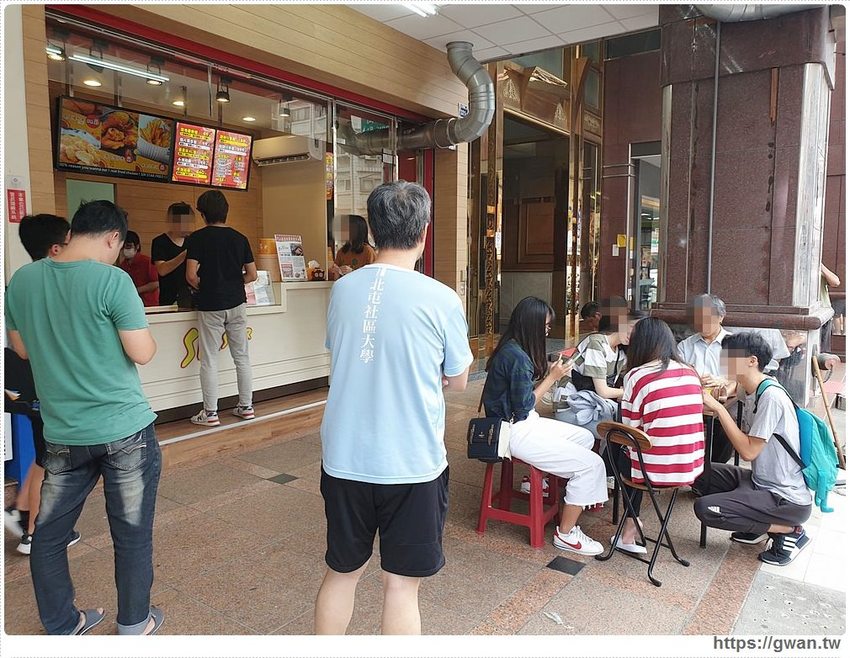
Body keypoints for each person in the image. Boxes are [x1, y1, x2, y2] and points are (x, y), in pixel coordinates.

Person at [316, 181, 472, 635]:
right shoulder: (442, 298)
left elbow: (344, 353)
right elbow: (459, 379)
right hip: (412, 462)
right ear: (424, 231)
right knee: (401, 586)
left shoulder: (343, 289)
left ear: (372, 231)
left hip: (344, 458)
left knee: (341, 572)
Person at [5, 200, 163, 634]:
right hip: (124, 430)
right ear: (113, 237)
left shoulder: (22, 280)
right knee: (131, 532)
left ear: (73, 232)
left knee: (49, 534)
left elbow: (22, 350)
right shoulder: (113, 280)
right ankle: (134, 624)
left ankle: (62, 624)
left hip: (62, 432)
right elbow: (142, 352)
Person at [484, 296, 608, 556]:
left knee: (585, 438)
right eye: (546, 326)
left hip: (522, 424)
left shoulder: (513, 348)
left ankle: (541, 483)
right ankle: (566, 534)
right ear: (532, 324)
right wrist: (552, 377)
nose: (548, 331)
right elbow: (523, 407)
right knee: (592, 464)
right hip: (512, 431)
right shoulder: (516, 357)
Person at [697, 333, 812, 566]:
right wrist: (720, 387)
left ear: (752, 361)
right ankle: (757, 523)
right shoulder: (753, 387)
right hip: (759, 481)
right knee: (696, 471)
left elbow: (748, 452)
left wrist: (719, 408)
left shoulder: (771, 397)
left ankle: (789, 530)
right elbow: (734, 388)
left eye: (730, 357)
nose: (723, 361)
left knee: (706, 509)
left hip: (785, 498)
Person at [4, 214, 82, 556]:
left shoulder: (18, 284)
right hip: (52, 389)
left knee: (42, 456)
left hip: (29, 387)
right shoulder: (62, 287)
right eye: (69, 241)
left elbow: (20, 349)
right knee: (51, 462)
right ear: (56, 248)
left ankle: (20, 510)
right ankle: (34, 533)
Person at [615, 318, 705, 553]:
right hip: (689, 466)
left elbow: (631, 428)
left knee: (619, 448)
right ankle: (631, 524)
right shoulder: (691, 372)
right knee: (634, 449)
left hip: (655, 470)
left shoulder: (636, 376)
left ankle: (630, 526)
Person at [186, 190, 257, 427]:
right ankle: (246, 407)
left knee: (209, 359)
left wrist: (207, 287)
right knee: (242, 357)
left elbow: (191, 275)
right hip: (237, 303)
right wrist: (233, 284)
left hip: (210, 305)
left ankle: (210, 413)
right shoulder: (240, 238)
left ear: (203, 214)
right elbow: (252, 274)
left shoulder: (197, 238)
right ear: (226, 211)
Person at [554, 297, 630, 440]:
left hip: (593, 405)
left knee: (627, 427)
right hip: (571, 406)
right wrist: (627, 392)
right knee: (621, 435)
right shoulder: (596, 343)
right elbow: (603, 391)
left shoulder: (621, 353)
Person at [678, 294, 736, 465]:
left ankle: (713, 470)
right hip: (690, 402)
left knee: (726, 429)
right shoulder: (685, 346)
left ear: (721, 317)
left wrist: (723, 382)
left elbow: (741, 378)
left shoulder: (734, 343)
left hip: (722, 401)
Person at [151, 202, 195, 308]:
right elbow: (162, 270)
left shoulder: (193, 240)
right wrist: (184, 254)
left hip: (191, 298)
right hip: (168, 299)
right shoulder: (160, 242)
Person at [118, 230, 159, 306]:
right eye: (122, 247)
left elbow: (156, 283)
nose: (125, 250)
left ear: (137, 246)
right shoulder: (123, 265)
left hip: (149, 304)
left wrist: (137, 290)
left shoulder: (147, 262)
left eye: (128, 246)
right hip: (131, 304)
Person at [820, 263, 841, 352]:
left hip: (824, 314)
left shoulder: (819, 271)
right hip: (808, 315)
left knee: (823, 350)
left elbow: (835, 282)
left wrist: (820, 266)